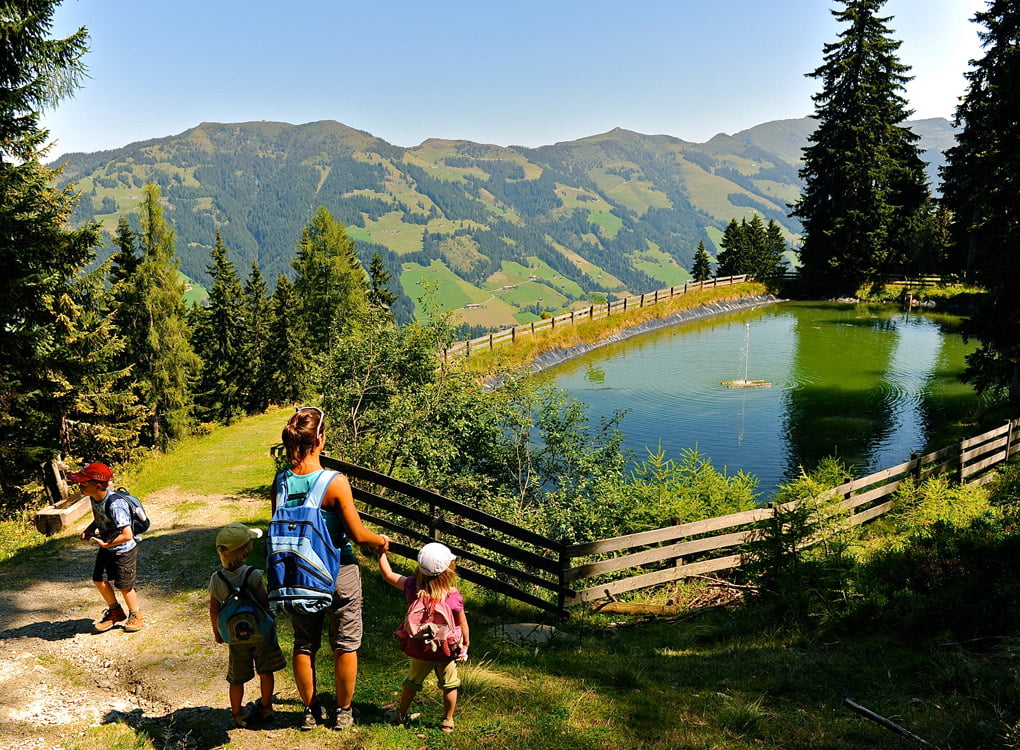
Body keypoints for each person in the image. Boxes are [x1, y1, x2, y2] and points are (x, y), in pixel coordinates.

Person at [274, 406, 390, 731]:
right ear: (320, 440)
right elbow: (357, 534)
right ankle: (343, 712)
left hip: (297, 572)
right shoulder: (334, 482)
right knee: (345, 643)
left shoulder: (281, 481)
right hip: (338, 569)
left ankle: (310, 711)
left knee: (304, 643)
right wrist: (381, 539)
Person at [378, 542, 470, 733]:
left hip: (419, 648)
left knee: (411, 682)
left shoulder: (412, 586)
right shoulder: (453, 595)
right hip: (446, 650)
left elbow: (388, 575)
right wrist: (466, 644)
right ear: (449, 571)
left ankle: (400, 716)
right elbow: (462, 623)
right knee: (450, 685)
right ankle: (447, 720)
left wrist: (381, 553)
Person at [208, 523, 286, 728]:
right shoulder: (252, 574)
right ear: (245, 551)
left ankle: (237, 712)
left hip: (235, 637)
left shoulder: (216, 579)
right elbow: (263, 601)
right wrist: (271, 618)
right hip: (261, 633)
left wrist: (217, 632)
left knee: (237, 676)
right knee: (266, 670)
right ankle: (266, 707)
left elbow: (213, 608)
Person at [73, 462, 144, 633]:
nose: (79, 486)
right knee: (99, 579)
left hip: (123, 549)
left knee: (124, 585)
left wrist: (107, 544)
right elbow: (100, 517)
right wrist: (90, 529)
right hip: (109, 546)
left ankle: (136, 615)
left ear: (97, 485)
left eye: (83, 483)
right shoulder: (94, 498)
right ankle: (115, 612)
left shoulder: (115, 504)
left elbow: (127, 534)